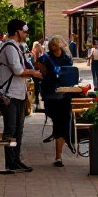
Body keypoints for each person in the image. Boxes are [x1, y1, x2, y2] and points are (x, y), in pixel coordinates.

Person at [0, 18, 43, 173]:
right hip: (9, 95)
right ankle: (10, 161)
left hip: (18, 94)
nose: (25, 33)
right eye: (23, 31)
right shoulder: (9, 48)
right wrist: (33, 73)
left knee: (19, 130)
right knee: (10, 130)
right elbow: (18, 71)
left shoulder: (18, 47)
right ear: (17, 32)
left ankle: (15, 159)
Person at [36, 35, 74, 167]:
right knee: (59, 123)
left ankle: (58, 156)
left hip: (61, 96)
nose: (55, 52)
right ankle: (59, 153)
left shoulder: (64, 58)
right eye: (54, 50)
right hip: (53, 96)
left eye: (56, 49)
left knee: (60, 124)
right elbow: (39, 65)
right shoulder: (50, 58)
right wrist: (44, 71)